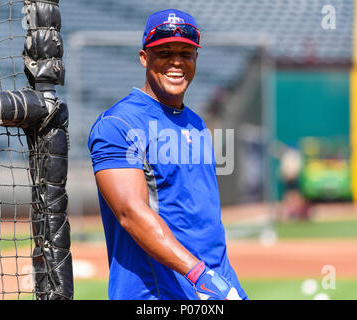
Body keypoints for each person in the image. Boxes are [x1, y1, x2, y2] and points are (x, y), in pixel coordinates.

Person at [88, 8, 247, 300]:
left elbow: (202, 220)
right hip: (158, 293)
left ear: (196, 59)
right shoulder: (117, 125)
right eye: (164, 52)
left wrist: (221, 280)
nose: (176, 61)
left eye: (186, 52)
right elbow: (131, 214)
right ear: (144, 57)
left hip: (217, 284)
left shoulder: (196, 123)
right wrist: (200, 276)